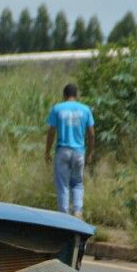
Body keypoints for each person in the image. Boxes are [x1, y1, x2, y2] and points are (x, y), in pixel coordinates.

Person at [45, 83, 94, 218]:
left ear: (64, 95)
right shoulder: (85, 109)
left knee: (62, 184)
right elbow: (91, 133)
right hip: (79, 152)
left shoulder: (58, 108)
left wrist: (47, 152)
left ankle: (64, 215)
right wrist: (90, 153)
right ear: (76, 95)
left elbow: (51, 132)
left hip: (62, 151)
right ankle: (78, 211)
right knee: (77, 182)